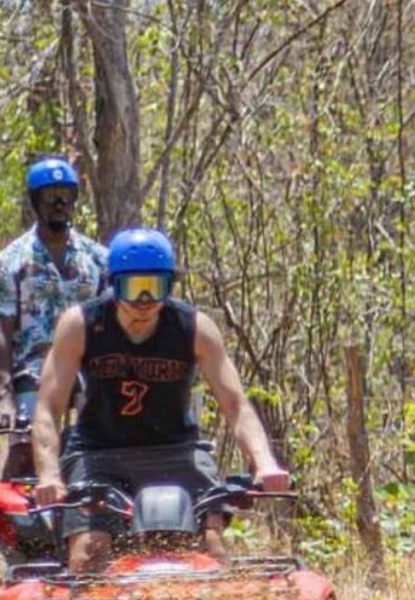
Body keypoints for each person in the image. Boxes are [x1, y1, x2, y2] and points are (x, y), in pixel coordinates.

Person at [31, 227, 289, 571]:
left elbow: (236, 406)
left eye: (155, 287)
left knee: (209, 549)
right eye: (133, 288)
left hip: (178, 454)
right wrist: (49, 475)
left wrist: (264, 462)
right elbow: (48, 409)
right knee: (89, 552)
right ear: (113, 284)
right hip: (99, 455)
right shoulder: (80, 325)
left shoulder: (194, 328)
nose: (144, 301)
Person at [0, 156, 109, 478]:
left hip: (89, 370)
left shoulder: (98, 259)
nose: (59, 203)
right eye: (50, 196)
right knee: (27, 449)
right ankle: (5, 521)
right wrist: (5, 397)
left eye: (66, 195)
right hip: (33, 370)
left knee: (97, 449)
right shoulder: (11, 260)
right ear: (36, 202)